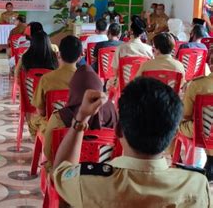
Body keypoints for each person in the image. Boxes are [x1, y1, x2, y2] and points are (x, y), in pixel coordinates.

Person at [53, 78, 210, 207]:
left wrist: (81, 118)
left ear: (118, 130)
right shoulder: (197, 186)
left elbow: (58, 173)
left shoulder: (86, 183)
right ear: (174, 134)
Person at [43, 65, 117, 174]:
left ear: (72, 89)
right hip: (104, 175)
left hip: (67, 178)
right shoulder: (113, 113)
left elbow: (48, 152)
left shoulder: (59, 118)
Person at [29, 36, 82, 137]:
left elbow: (40, 111)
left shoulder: (46, 79)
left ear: (58, 54)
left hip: (52, 126)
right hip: (79, 126)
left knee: (34, 120)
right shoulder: (86, 79)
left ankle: (43, 147)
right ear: (80, 56)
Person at [179, 63, 213, 180]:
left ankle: (177, 158)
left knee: (180, 124)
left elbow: (186, 115)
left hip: (201, 131)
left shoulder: (196, 84)